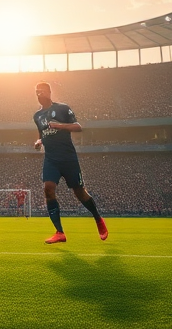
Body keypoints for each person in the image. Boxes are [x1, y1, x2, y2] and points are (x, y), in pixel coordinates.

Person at [33, 82, 107, 243]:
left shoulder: (62, 108)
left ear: (49, 92)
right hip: (51, 159)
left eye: (42, 91)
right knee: (48, 189)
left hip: (68, 158)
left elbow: (78, 127)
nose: (39, 94)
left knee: (79, 192)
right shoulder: (37, 116)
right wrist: (39, 141)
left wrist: (59, 125)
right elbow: (41, 134)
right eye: (36, 92)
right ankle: (59, 232)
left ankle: (98, 220)